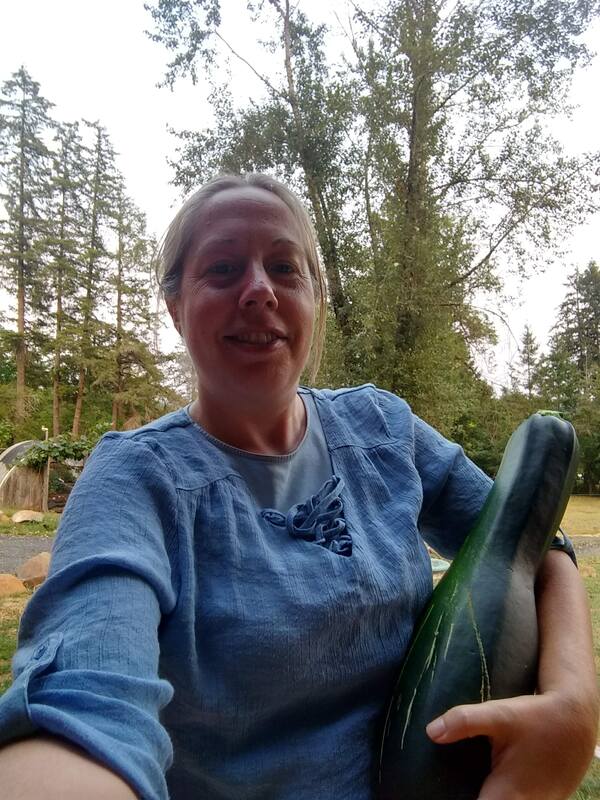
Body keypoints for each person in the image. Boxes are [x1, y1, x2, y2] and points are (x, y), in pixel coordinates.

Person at [0, 173, 597, 800]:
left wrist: (575, 703)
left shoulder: (382, 428)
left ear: (315, 297)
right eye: (223, 268)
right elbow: (84, 702)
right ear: (175, 307)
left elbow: (533, 539)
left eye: (284, 268)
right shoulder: (135, 479)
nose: (259, 289)